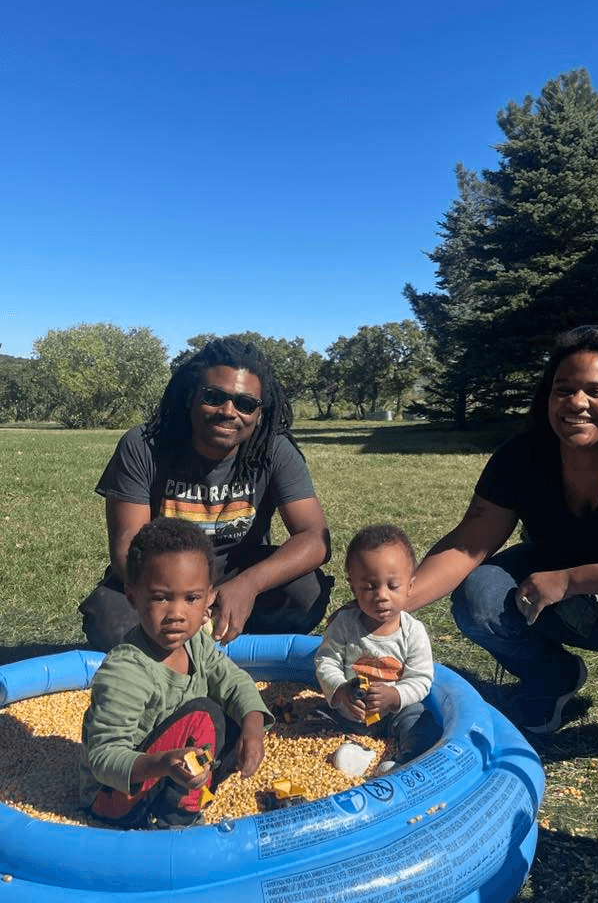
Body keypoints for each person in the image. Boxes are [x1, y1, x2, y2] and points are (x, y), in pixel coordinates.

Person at [408, 326, 598, 777]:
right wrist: (392, 603)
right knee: (480, 596)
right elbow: (470, 540)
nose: (576, 402)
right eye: (564, 389)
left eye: (596, 391)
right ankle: (553, 679)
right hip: (560, 567)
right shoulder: (522, 454)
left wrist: (570, 580)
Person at [79, 336, 333, 651]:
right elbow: (126, 549)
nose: (228, 411)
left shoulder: (273, 450)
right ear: (190, 397)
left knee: (305, 593)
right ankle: (202, 639)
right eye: (214, 397)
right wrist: (186, 600)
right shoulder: (143, 446)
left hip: (238, 570)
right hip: (160, 576)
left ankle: (230, 638)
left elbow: (315, 538)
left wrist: (249, 585)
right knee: (110, 622)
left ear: (259, 414)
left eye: (245, 404)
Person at [79, 517, 274, 828]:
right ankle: (173, 820)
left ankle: (187, 792)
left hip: (172, 767)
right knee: (206, 713)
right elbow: (103, 757)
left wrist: (253, 727)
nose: (177, 614)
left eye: (191, 599)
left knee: (237, 712)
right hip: (115, 797)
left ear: (209, 599)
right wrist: (164, 763)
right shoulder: (126, 671)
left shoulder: (196, 644)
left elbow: (234, 682)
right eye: (161, 598)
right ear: (133, 597)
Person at [315, 524, 441, 773]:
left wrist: (395, 696)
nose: (382, 595)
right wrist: (340, 690)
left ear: (410, 586)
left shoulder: (412, 632)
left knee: (422, 724)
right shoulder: (345, 625)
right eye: (370, 587)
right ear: (353, 587)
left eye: (392, 586)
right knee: (313, 716)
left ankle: (404, 763)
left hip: (395, 713)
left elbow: (421, 679)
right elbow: (325, 661)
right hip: (351, 711)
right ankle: (350, 753)